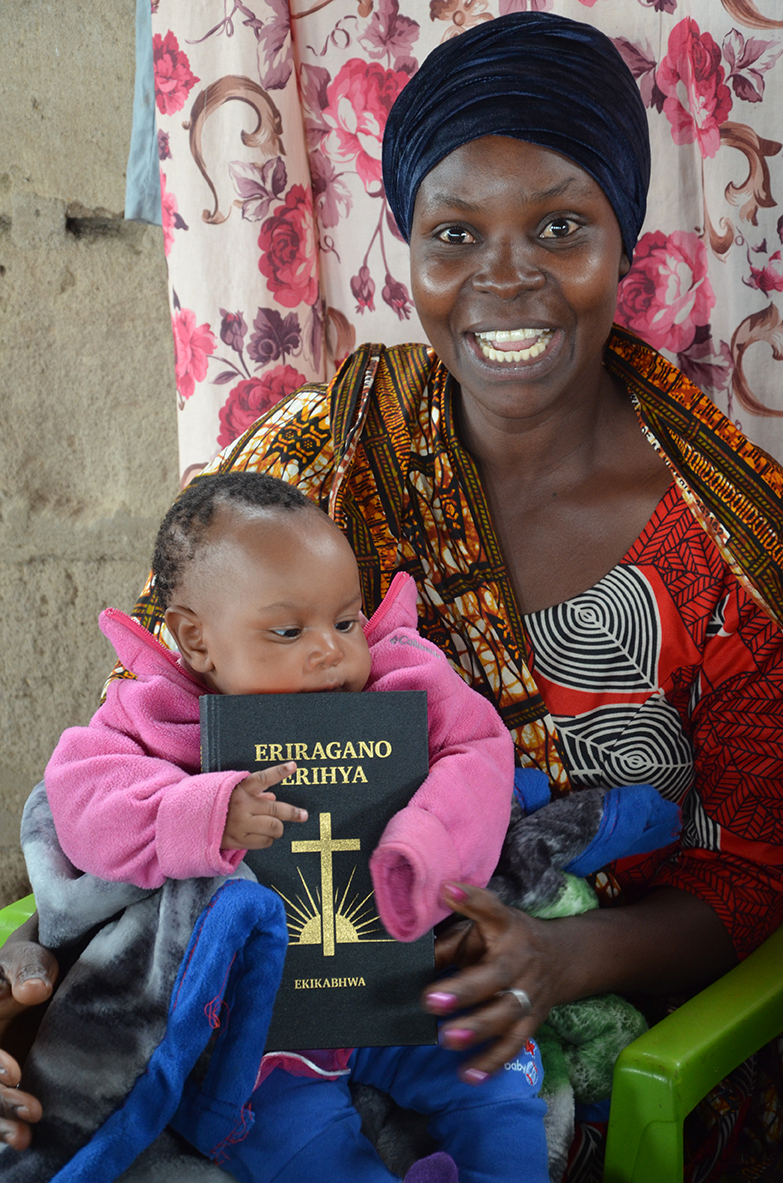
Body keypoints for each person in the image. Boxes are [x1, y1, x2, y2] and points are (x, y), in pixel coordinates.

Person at [2, 10, 782, 1180]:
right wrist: (35, 983)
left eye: (560, 226)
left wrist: (568, 960)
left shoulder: (728, 543)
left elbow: (760, 874)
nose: (504, 278)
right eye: (453, 233)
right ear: (405, 251)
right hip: (248, 1034)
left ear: (630, 242)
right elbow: (137, 744)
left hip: (589, 1043)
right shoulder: (316, 462)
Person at [35, 470, 547, 1183]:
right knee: (300, 1145)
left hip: (391, 984)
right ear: (197, 637)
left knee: (489, 1075)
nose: (332, 651)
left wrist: (423, 849)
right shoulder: (155, 716)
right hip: (259, 1031)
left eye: (346, 620)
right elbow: (84, 800)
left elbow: (479, 753)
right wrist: (204, 812)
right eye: (288, 630)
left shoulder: (394, 686)